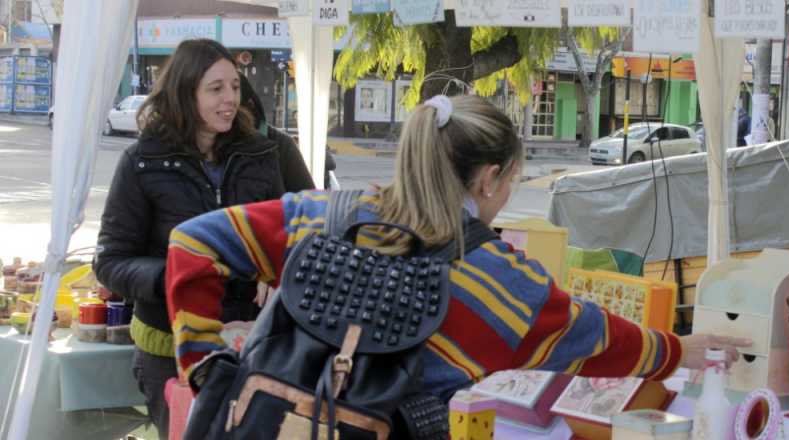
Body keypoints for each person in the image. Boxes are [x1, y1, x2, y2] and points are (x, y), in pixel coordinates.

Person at [165, 95, 749, 406]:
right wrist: (681, 350)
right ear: (489, 179)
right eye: (513, 180)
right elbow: (598, 340)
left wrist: (202, 364)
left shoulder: (322, 217)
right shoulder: (502, 283)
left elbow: (193, 242)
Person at [94, 38, 313, 440]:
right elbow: (110, 261)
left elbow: (300, 232)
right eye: (216, 88)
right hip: (171, 347)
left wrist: (277, 271)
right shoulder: (142, 162)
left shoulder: (263, 153)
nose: (231, 98)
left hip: (253, 342)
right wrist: (180, 275)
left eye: (235, 86)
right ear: (184, 93)